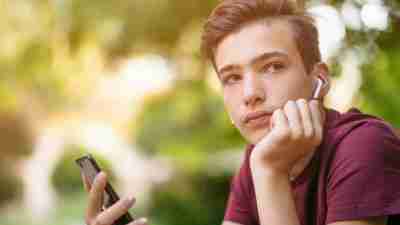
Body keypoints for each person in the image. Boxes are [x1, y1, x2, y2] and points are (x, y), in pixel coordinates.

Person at [81, 0, 400, 225]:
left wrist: (270, 172)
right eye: (232, 77)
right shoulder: (259, 158)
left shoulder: (362, 144)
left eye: (273, 67)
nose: (250, 94)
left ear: (319, 79)